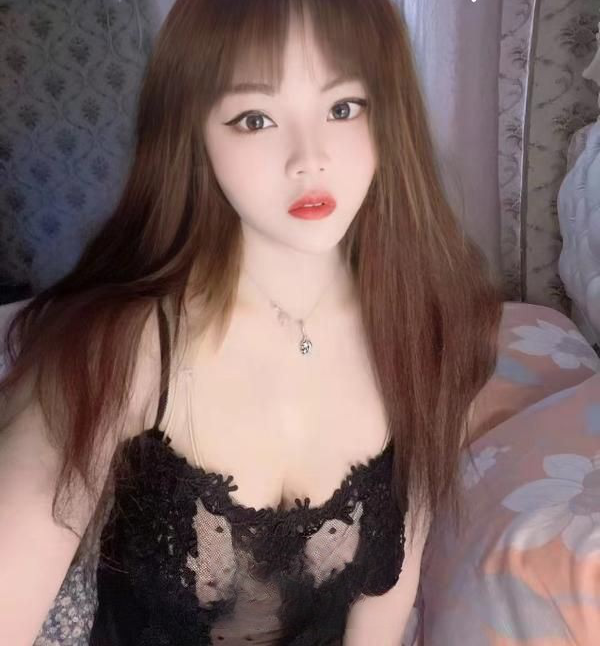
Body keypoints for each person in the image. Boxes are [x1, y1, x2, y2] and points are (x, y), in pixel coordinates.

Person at [0, 0, 503, 644]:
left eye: (344, 107)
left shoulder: (430, 329)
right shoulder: (120, 351)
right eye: (255, 119)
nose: (309, 159)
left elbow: (384, 606)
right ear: (193, 134)